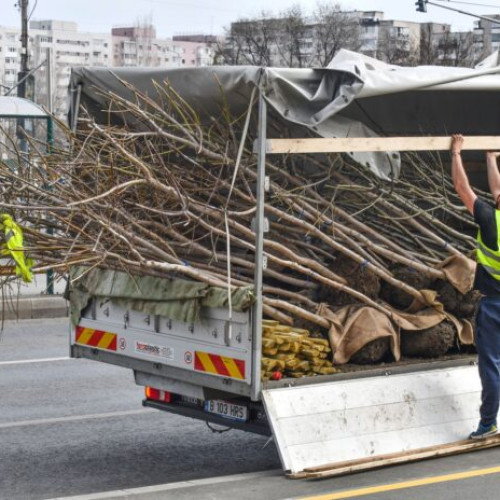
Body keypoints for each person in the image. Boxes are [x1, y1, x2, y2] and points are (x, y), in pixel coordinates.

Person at [451, 134, 500, 439]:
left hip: (494, 306)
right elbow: (496, 190)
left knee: (492, 366)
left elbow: (462, 188)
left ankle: (488, 423)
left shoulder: (490, 220)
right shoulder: (494, 211)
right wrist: (490, 158)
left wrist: (456, 153)